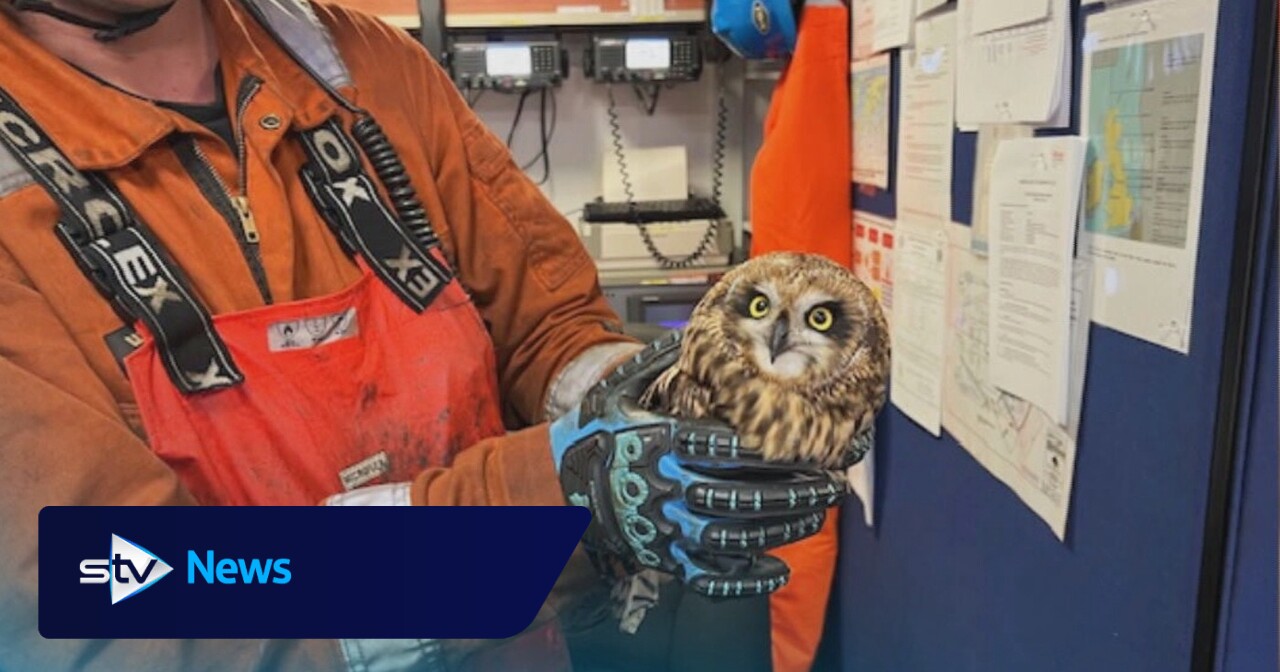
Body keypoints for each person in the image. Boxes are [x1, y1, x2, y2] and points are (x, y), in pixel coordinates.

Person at [0, 0, 849, 670]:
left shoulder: (362, 68)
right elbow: (114, 588)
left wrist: (651, 413)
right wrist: (556, 501)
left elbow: (546, 321)